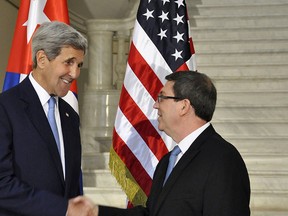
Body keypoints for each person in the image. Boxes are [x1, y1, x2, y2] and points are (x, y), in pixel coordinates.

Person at [94, 70, 251, 216]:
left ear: (184, 106)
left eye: (162, 97)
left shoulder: (223, 159)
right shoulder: (168, 161)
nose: (156, 104)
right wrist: (95, 212)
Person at [0, 21, 94, 215]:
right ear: (42, 59)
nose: (75, 73)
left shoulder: (70, 116)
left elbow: (71, 185)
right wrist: (62, 209)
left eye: (79, 65)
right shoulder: (5, 108)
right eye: (69, 62)